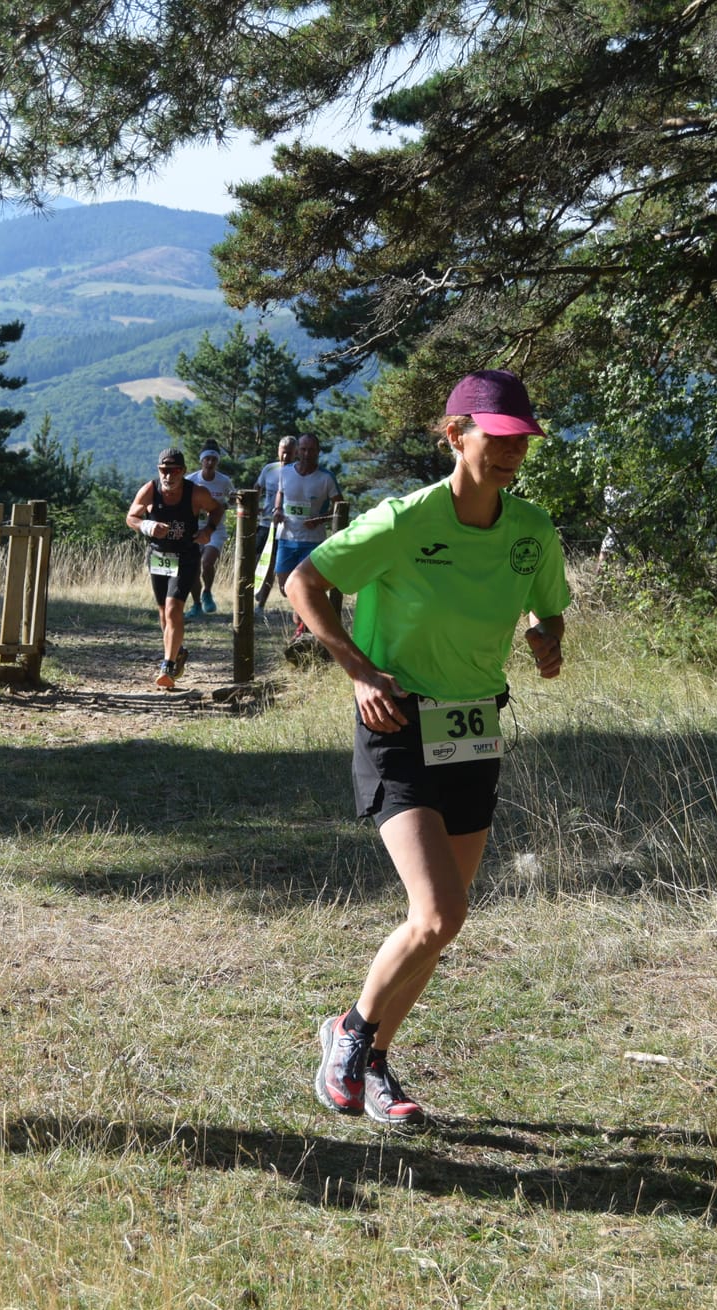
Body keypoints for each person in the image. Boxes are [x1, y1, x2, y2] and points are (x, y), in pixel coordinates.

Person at [288, 371, 569, 1127]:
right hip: (397, 724)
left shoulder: (531, 531)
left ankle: (373, 1059)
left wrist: (548, 639)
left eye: (522, 439)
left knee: (444, 923)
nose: (513, 452)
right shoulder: (404, 520)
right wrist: (356, 670)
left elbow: (549, 607)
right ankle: (349, 1030)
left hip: (474, 729)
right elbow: (305, 582)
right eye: (498, 437)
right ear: (455, 434)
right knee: (439, 912)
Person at [127, 446, 223, 688]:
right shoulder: (151, 489)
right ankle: (177, 651)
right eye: (164, 470)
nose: (168, 476)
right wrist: (147, 527)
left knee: (173, 609)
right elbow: (131, 517)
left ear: (183, 471)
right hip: (159, 555)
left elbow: (217, 508)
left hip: (186, 556)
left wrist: (208, 531)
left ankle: (167, 666)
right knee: (163, 613)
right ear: (159, 470)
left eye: (174, 470)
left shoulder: (196, 493)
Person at [273, 433, 343, 634]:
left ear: (318, 452)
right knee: (285, 587)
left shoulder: (326, 478)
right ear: (297, 451)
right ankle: (302, 618)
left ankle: (303, 629)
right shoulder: (285, 472)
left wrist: (320, 519)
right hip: (286, 537)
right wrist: (278, 509)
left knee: (304, 587)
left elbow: (340, 505)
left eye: (311, 450)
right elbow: (281, 493)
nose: (306, 454)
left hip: (313, 541)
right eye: (303, 449)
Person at [185, 447, 236, 617]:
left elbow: (234, 499)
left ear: (217, 462)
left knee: (207, 562)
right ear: (201, 460)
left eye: (213, 460)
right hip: (194, 529)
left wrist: (223, 507)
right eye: (207, 459)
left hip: (215, 529)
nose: (210, 463)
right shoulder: (191, 480)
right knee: (193, 568)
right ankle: (197, 604)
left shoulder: (224, 481)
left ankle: (207, 592)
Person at [253, 435, 294, 612]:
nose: (285, 457)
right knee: (254, 561)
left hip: (284, 527)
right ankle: (255, 589)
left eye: (290, 454)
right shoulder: (269, 469)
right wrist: (255, 507)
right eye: (283, 453)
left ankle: (261, 604)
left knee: (271, 566)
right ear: (278, 451)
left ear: (296, 453)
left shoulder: (297, 472)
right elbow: (256, 488)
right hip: (264, 524)